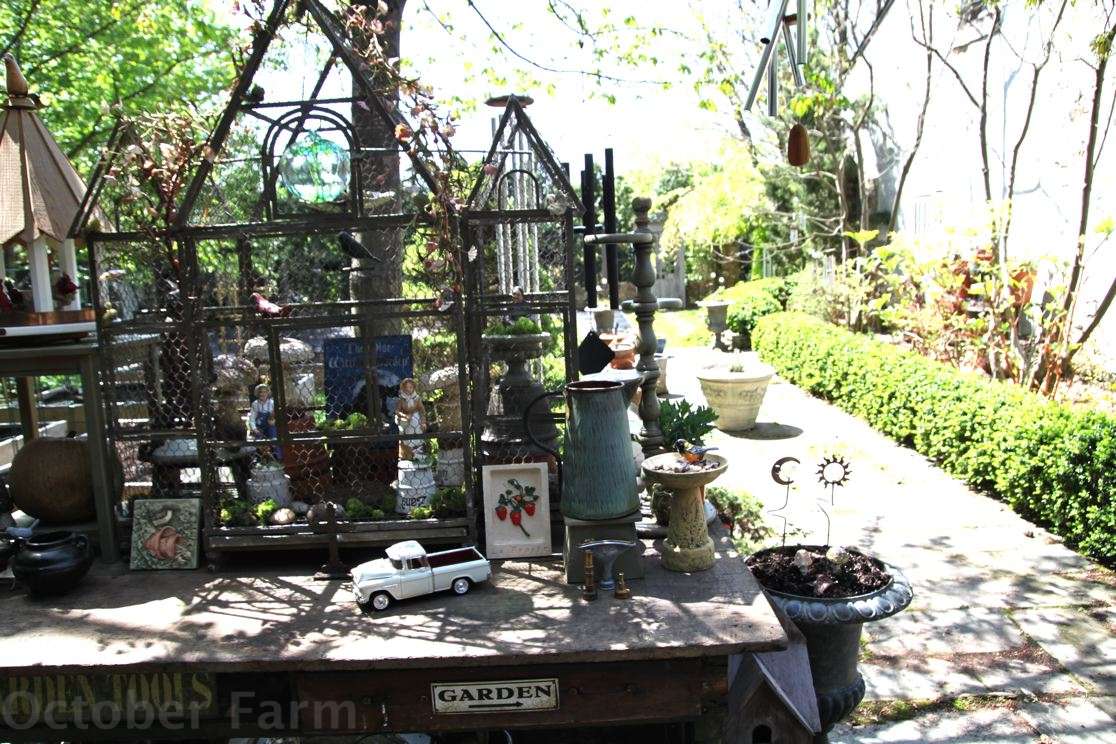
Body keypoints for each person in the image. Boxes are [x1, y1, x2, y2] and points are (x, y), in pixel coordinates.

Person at [395, 377, 427, 460]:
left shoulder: (417, 398)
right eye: (406, 387)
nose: (408, 389)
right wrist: (404, 416)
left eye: (410, 387)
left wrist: (423, 422)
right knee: (406, 436)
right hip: (406, 420)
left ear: (413, 388)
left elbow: (422, 411)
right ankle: (407, 454)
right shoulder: (401, 399)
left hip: (416, 419)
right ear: (403, 388)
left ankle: (418, 453)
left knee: (418, 432)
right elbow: (397, 411)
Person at [249, 383, 282, 461]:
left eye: (265, 392)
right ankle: (259, 459)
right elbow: (252, 419)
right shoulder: (255, 404)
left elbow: (278, 416)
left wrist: (274, 421)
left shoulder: (272, 403)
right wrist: (254, 429)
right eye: (260, 392)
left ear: (268, 393)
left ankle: (278, 458)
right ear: (257, 393)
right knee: (258, 442)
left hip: (270, 426)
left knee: (274, 439)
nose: (262, 394)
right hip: (259, 427)